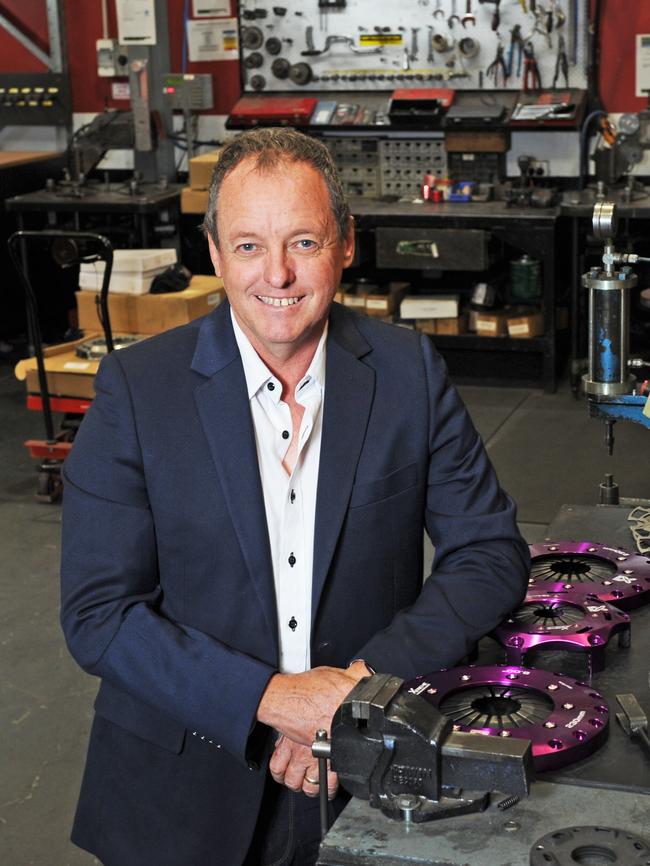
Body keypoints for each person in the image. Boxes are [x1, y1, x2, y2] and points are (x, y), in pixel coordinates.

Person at [60, 127, 530, 866]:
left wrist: (358, 695)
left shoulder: (407, 374)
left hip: (360, 773)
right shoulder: (136, 391)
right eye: (248, 245)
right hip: (181, 787)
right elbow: (99, 615)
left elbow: (490, 552)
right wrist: (274, 700)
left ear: (345, 243)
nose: (276, 274)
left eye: (303, 242)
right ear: (214, 253)